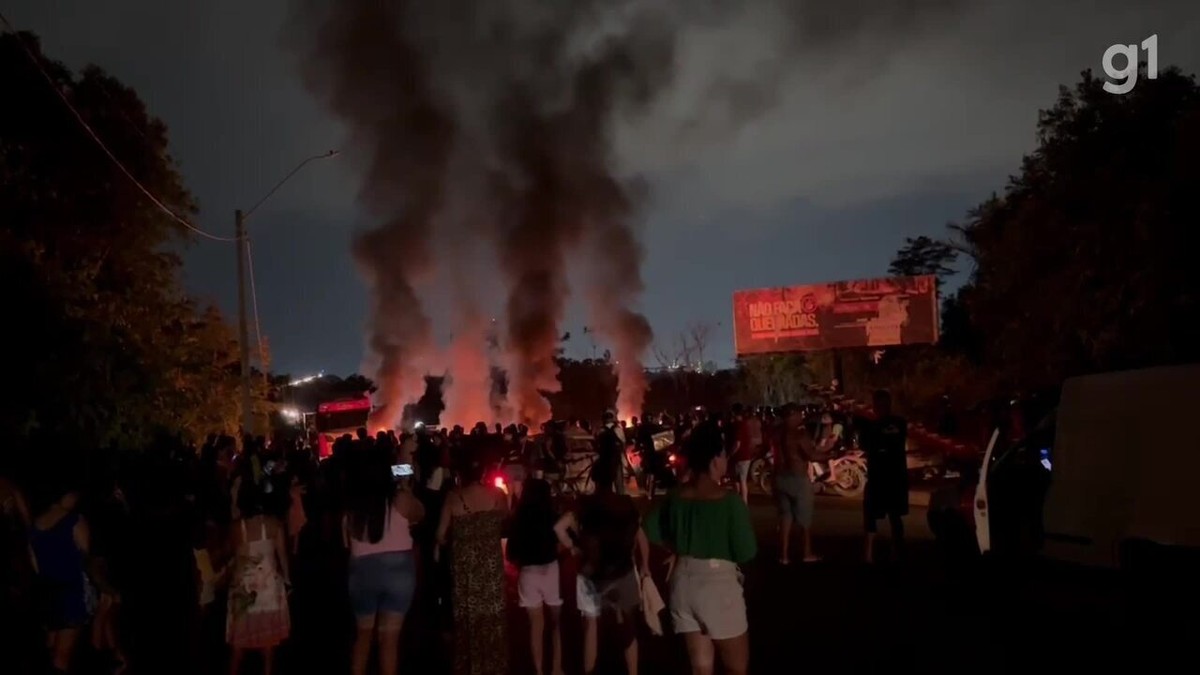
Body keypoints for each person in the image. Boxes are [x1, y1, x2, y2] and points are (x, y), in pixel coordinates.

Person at [644, 422, 756, 675]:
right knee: (736, 667)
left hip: (682, 584)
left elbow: (650, 528)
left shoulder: (675, 496)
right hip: (718, 587)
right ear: (717, 459)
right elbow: (746, 551)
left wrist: (674, 548)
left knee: (701, 667)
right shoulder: (730, 502)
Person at [555, 460, 649, 675]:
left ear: (594, 479)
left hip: (590, 571)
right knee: (627, 626)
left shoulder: (584, 504)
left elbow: (560, 526)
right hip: (622, 570)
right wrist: (645, 566)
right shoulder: (625, 503)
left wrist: (573, 547)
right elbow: (638, 534)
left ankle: (590, 671)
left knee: (591, 625)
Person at [344, 448, 425, 675]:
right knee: (390, 640)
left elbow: (347, 544)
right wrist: (407, 489)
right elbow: (420, 514)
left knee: (363, 636)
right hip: (399, 572)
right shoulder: (400, 498)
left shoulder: (353, 508)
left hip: (362, 573)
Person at [435, 459, 509, 675]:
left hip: (465, 566)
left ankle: (470, 665)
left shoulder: (453, 498)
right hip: (490, 566)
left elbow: (440, 534)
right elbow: (505, 519)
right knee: (492, 614)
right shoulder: (497, 495)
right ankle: (494, 663)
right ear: (484, 471)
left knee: (467, 615)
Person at [29, 485, 94, 675]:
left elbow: (34, 563)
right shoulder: (74, 520)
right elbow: (86, 555)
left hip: (47, 590)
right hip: (70, 591)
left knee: (51, 647)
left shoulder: (36, 523)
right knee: (62, 657)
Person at [226, 484, 291, 675]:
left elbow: (234, 555)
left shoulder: (236, 527)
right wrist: (287, 580)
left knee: (237, 647)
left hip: (243, 587)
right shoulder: (273, 524)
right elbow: (282, 556)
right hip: (268, 588)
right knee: (268, 646)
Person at [506, 479, 564, 675]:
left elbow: (511, 554)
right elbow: (562, 543)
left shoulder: (519, 518)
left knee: (535, 626)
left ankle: (538, 670)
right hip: (550, 569)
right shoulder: (552, 516)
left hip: (528, 573)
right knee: (556, 624)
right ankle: (556, 668)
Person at [859, 389, 909, 562]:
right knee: (895, 516)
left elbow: (864, 445)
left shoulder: (870, 425)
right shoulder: (900, 423)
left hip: (879, 476)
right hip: (896, 476)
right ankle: (897, 551)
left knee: (871, 515)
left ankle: (869, 554)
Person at [774, 404, 826, 564]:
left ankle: (784, 556)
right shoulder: (798, 434)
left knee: (785, 517)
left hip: (779, 477)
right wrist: (831, 454)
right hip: (797, 477)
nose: (802, 416)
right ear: (793, 415)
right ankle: (807, 553)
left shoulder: (777, 432)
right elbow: (811, 455)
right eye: (800, 414)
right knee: (805, 519)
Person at [730, 404, 754, 504]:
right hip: (746, 455)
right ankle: (743, 501)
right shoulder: (745, 424)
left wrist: (730, 454)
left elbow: (737, 444)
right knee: (742, 480)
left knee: (739, 480)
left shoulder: (738, 426)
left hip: (740, 456)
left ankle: (742, 501)